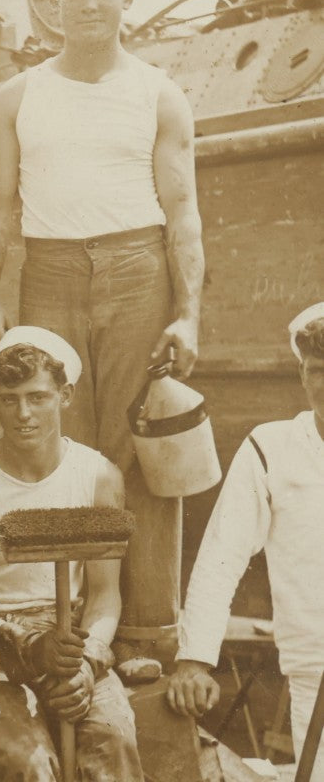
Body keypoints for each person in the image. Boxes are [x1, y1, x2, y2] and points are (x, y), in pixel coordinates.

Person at [0, 0, 204, 651]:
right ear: (51, 4)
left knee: (144, 443)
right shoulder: (18, 94)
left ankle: (146, 634)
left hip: (139, 268)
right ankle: (63, 626)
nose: (88, 5)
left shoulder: (158, 92)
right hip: (49, 271)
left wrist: (188, 314)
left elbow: (183, 210)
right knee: (55, 440)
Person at [0, 327, 142, 782]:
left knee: (113, 739)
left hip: (71, 638)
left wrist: (89, 663)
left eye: (37, 397)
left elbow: (103, 594)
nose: (22, 414)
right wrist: (16, 643)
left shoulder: (99, 476)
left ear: (66, 394)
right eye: (8, 399)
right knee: (27, 763)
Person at [167, 303, 324, 779]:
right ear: (301, 374)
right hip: (315, 671)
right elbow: (221, 555)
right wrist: (194, 659)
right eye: (318, 370)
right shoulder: (272, 447)